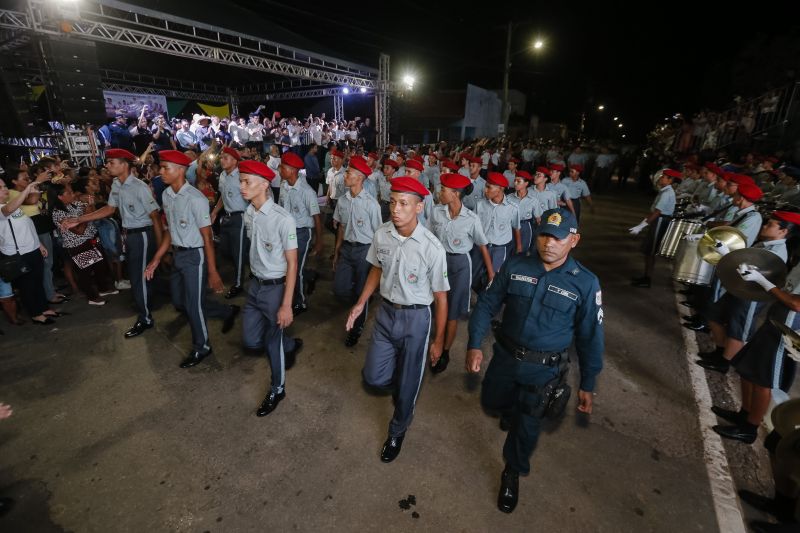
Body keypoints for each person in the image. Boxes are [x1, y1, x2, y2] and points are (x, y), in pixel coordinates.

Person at [466, 207, 604, 513]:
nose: (549, 243)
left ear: (574, 240)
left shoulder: (584, 283)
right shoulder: (516, 264)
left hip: (543, 371)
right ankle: (509, 410)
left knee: (527, 426)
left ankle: (512, 471)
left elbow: (590, 337)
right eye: (544, 235)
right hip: (504, 357)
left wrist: (588, 383)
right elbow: (488, 303)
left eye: (558, 238)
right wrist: (475, 344)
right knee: (492, 401)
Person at [346, 177, 449, 463]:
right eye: (392, 202)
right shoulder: (382, 234)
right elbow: (377, 269)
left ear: (419, 207)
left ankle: (397, 429)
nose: (395, 209)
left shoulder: (432, 248)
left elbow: (441, 298)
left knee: (408, 387)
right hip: (386, 313)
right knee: (374, 376)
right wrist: (360, 304)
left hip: (417, 319)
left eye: (404, 203)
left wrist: (438, 341)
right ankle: (402, 378)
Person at [144, 150, 239, 368]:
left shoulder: (196, 199)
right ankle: (226, 311)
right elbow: (170, 230)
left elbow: (207, 238)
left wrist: (213, 272)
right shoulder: (167, 195)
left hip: (195, 256)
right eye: (161, 167)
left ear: (181, 171)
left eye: (166, 167)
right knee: (180, 301)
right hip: (177, 254)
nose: (161, 171)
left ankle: (202, 347)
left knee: (193, 305)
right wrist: (158, 257)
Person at [61, 149, 164, 337]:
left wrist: (159, 249)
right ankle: (148, 305)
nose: (107, 166)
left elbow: (155, 217)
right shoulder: (117, 183)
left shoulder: (139, 187)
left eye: (111, 162)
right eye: (107, 163)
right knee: (138, 276)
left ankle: (145, 318)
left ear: (125, 165)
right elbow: (109, 209)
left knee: (139, 278)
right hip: (129, 235)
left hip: (142, 235)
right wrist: (80, 219)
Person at [237, 160, 303, 417]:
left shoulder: (283, 219)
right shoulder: (249, 212)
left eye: (247, 182)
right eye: (241, 181)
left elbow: (292, 262)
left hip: (276, 288)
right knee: (251, 339)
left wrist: (287, 304)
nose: (242, 186)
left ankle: (277, 388)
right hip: (256, 284)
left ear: (265, 184)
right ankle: (290, 345)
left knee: (271, 343)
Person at [428, 173, 492, 373]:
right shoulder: (436, 212)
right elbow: (428, 238)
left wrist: (491, 273)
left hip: (460, 265)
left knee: (452, 313)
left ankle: (445, 351)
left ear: (455, 194)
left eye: (444, 190)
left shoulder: (471, 219)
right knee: (435, 304)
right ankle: (433, 342)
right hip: (439, 261)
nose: (439, 192)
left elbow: (482, 245)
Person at [333, 156, 383, 347]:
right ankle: (359, 302)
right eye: (346, 172)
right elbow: (341, 227)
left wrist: (378, 262)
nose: (345, 175)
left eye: (349, 173)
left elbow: (379, 234)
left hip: (365, 251)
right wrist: (337, 251)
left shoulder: (371, 204)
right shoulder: (343, 201)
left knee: (362, 291)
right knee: (340, 288)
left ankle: (357, 327)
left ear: (360, 178)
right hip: (347, 249)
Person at [0, 180, 59, 325]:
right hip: (18, 254)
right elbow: (7, 211)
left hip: (31, 249)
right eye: (0, 188)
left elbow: (27, 226)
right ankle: (35, 314)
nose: (5, 189)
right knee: (27, 285)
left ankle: (43, 308)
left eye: (4, 185)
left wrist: (38, 244)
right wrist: (26, 190)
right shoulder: (6, 207)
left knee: (37, 281)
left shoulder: (13, 205)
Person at [49, 183, 117, 306]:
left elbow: (93, 214)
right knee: (85, 271)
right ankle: (92, 297)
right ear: (59, 197)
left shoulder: (75, 204)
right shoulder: (58, 213)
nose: (73, 194)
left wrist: (89, 208)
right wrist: (86, 215)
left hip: (91, 238)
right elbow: (79, 231)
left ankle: (103, 289)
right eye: (68, 193)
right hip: (77, 244)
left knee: (100, 265)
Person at [278, 151, 322, 314]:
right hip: (286, 232)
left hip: (302, 233)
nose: (279, 170)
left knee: (295, 268)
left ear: (292, 170)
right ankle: (310, 276)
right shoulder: (283, 186)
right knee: (290, 266)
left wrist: (318, 242)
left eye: (283, 167)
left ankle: (300, 301)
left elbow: (316, 217)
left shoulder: (306, 191)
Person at [472, 172, 522, 292]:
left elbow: (516, 227)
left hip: (499, 249)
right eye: (486, 186)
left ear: (500, 189)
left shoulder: (512, 207)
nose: (485, 190)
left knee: (494, 278)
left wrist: (519, 247)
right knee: (474, 276)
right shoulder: (480, 205)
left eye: (489, 187)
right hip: (480, 247)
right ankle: (477, 296)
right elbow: (472, 226)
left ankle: (488, 302)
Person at [210, 147, 249, 299]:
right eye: (221, 157)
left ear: (234, 161)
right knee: (225, 249)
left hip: (240, 216)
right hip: (226, 217)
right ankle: (251, 264)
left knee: (238, 252)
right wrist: (214, 212)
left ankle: (239, 284)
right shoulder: (222, 176)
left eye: (226, 158)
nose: (222, 160)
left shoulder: (241, 176)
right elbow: (222, 196)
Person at [630, 169, 678, 288]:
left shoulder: (667, 193)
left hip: (660, 220)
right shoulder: (665, 191)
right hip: (659, 219)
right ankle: (646, 277)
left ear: (670, 180)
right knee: (648, 251)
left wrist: (642, 225)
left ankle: (647, 279)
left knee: (650, 251)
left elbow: (657, 212)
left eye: (664, 177)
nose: (661, 178)